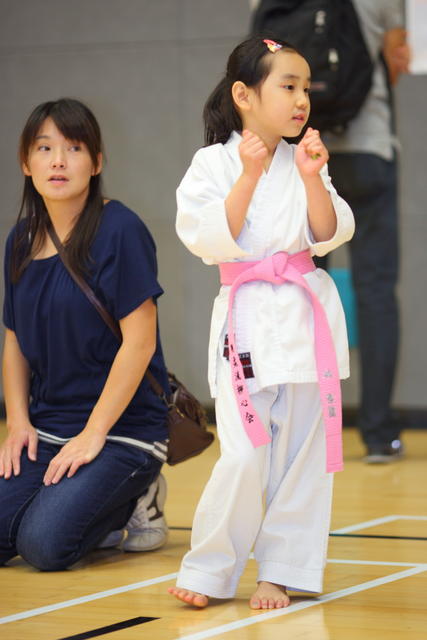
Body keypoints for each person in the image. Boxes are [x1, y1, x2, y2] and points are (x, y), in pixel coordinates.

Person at [168, 36, 354, 609]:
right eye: (288, 86)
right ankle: (210, 568)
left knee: (303, 454)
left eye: (306, 88)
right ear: (244, 95)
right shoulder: (214, 163)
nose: (302, 100)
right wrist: (248, 176)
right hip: (246, 321)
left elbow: (329, 233)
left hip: (303, 320)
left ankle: (282, 570)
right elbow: (203, 236)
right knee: (245, 453)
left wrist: (308, 177)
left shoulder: (304, 159)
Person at [0, 98, 168, 571]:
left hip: (122, 432)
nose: (58, 161)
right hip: (48, 429)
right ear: (26, 163)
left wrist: (95, 433)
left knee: (44, 546)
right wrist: (17, 423)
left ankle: (138, 493)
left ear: (95, 163)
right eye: (45, 148)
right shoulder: (18, 240)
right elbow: (14, 339)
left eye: (74, 148)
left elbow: (140, 342)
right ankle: (84, 505)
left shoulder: (121, 230)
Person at [321, 0, 410, 463]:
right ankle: (378, 435)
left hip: (304, 152)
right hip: (368, 146)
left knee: (301, 291)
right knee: (375, 291)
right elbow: (398, 60)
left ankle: (309, 431)